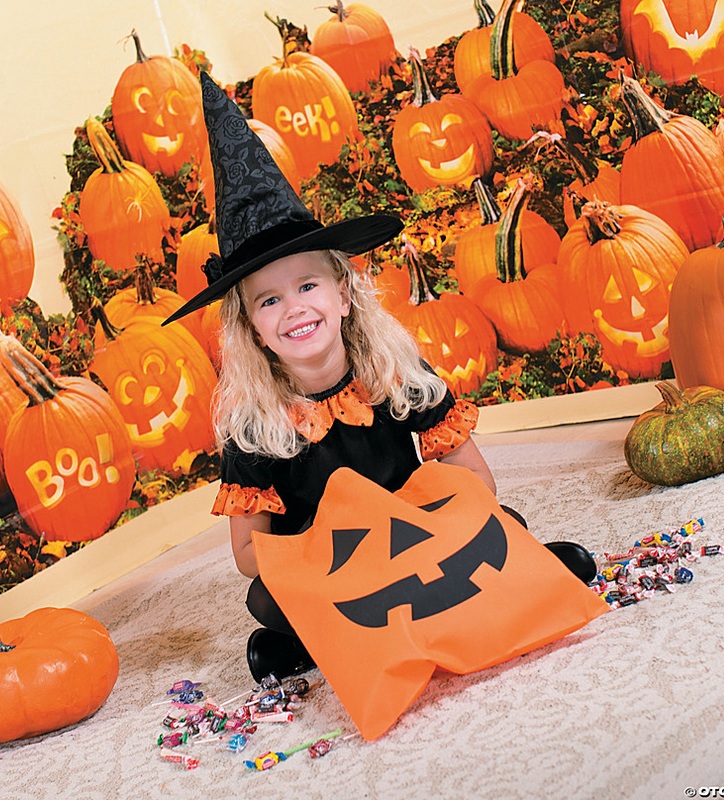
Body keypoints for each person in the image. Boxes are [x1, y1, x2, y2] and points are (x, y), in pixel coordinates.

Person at [164, 71, 596, 682]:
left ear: (344, 294)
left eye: (308, 286)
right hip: (333, 564)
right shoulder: (253, 427)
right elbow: (247, 553)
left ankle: (522, 574)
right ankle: (310, 643)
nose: (295, 310)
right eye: (269, 301)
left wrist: (455, 515)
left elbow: (472, 473)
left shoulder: (392, 372)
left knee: (499, 525)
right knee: (271, 599)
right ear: (251, 330)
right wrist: (324, 551)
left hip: (414, 532)